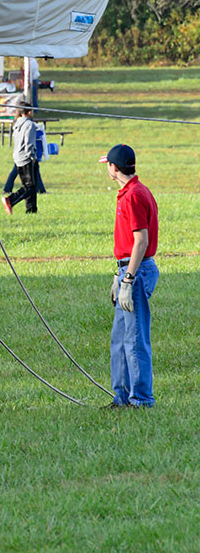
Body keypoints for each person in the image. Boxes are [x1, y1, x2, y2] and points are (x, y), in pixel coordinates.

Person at [100, 144, 159, 408]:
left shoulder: (134, 195)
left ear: (114, 167)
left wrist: (128, 279)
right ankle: (122, 397)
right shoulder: (131, 191)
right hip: (127, 268)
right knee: (120, 339)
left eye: (108, 165)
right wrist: (119, 273)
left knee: (135, 341)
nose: (107, 169)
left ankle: (141, 400)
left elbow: (141, 241)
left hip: (136, 271)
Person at [2, 106, 38, 215]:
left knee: (31, 185)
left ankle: (31, 210)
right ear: (29, 111)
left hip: (17, 155)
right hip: (26, 157)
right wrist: (32, 156)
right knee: (30, 187)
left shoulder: (17, 124)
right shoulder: (30, 125)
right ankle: (10, 200)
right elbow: (29, 142)